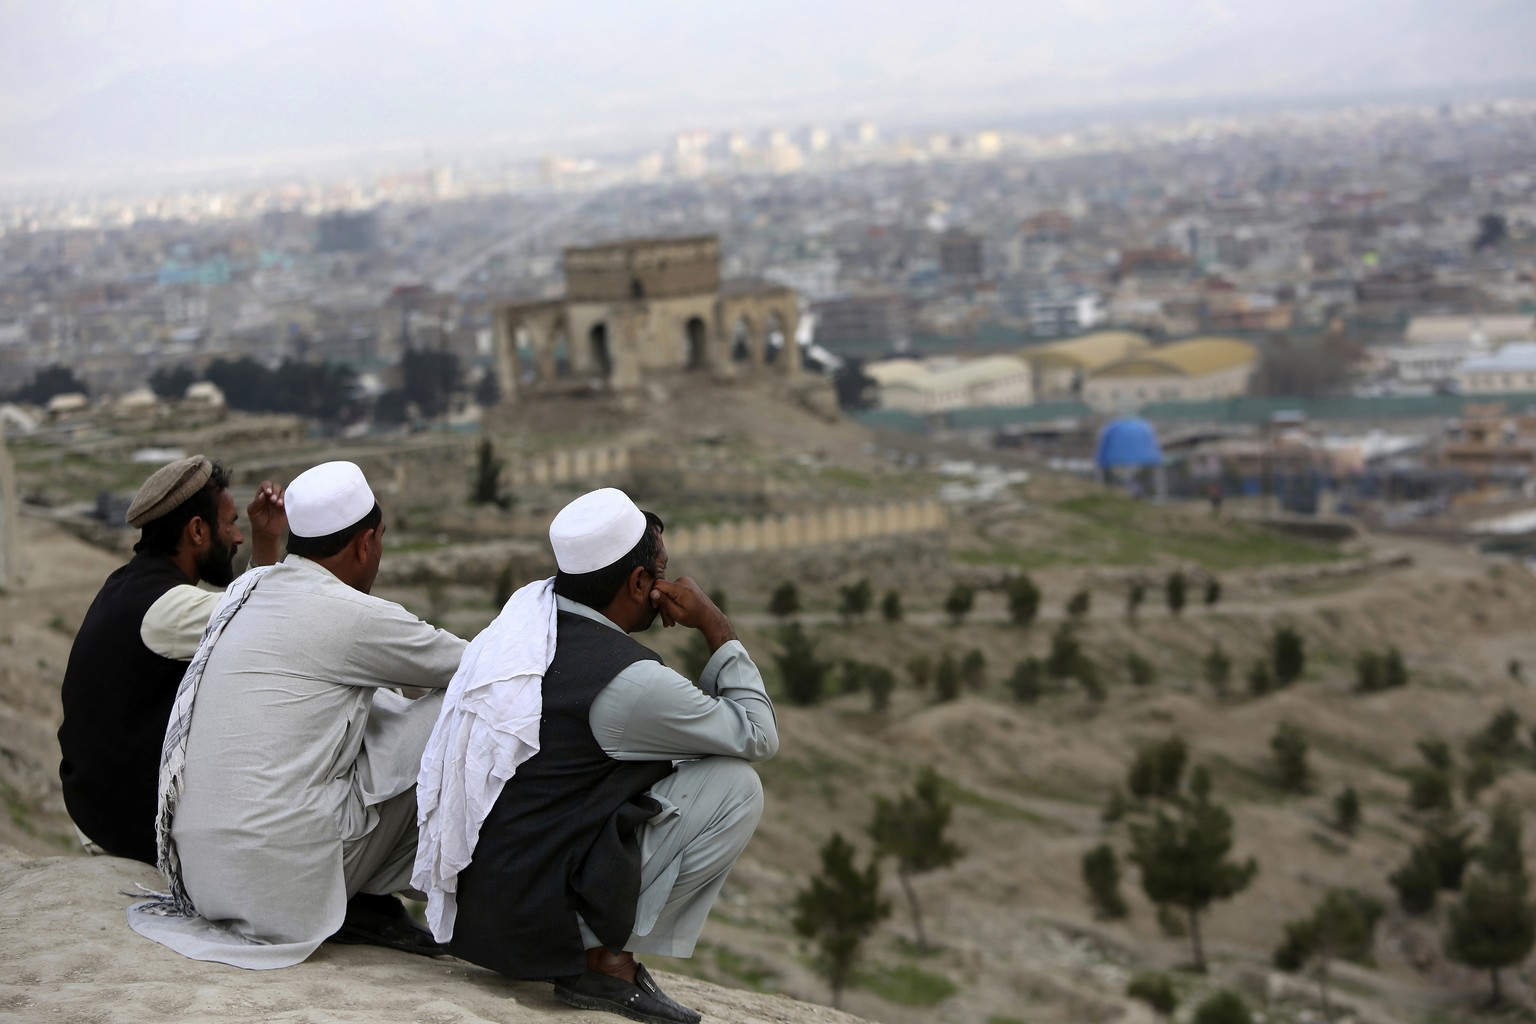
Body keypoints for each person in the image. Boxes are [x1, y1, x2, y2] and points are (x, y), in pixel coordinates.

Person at [415, 487, 777, 1024]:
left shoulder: (525, 626)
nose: (672, 586)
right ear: (638, 583)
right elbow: (757, 734)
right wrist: (715, 626)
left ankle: (593, 944)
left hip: (484, 910)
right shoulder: (628, 680)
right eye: (662, 573)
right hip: (533, 924)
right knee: (733, 785)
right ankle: (604, 957)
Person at [128, 460, 467, 968]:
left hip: (202, 881)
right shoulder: (354, 616)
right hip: (278, 889)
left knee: (376, 707)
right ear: (364, 544)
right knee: (461, 708)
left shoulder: (245, 595)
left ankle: (371, 896)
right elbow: (480, 669)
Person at [57, 454, 285, 865]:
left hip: (97, 805)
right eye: (230, 524)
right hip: (126, 823)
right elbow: (268, 619)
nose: (237, 538)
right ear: (197, 531)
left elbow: (250, 608)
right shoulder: (169, 608)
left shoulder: (128, 583)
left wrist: (265, 539)